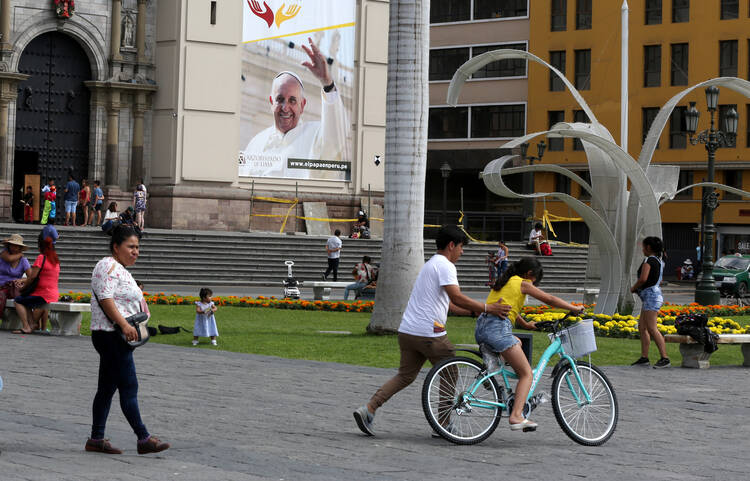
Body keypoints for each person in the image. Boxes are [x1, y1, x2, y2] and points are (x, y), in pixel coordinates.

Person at [353, 225, 512, 437]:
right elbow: (456, 297)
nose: (462, 252)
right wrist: (488, 308)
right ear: (451, 245)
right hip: (429, 334)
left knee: (405, 376)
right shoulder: (445, 266)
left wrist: (476, 313)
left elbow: (449, 305)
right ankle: (443, 424)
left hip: (408, 333)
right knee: (451, 371)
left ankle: (369, 409)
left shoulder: (430, 265)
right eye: (462, 247)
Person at [87, 225, 170, 455]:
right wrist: (124, 324)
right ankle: (143, 438)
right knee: (129, 386)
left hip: (114, 335)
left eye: (138, 247)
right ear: (116, 247)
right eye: (131, 246)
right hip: (112, 335)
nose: (136, 251)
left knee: (106, 388)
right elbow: (105, 298)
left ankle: (96, 438)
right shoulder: (108, 265)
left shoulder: (120, 269)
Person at [477, 257, 585, 432]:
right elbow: (549, 299)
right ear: (529, 274)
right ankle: (517, 415)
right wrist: (573, 308)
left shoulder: (506, 281)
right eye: (535, 282)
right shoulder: (522, 283)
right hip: (497, 330)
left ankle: (492, 366)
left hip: (483, 327)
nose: (533, 286)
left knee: (517, 342)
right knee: (527, 373)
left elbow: (510, 307)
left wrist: (525, 324)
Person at [243, 37, 348, 179]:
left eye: (292, 101)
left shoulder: (316, 135)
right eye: (280, 99)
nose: (285, 107)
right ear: (271, 102)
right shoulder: (256, 143)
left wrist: (327, 83)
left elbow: (337, 134)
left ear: (302, 105)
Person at [630, 236, 670, 369]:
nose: (642, 249)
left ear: (648, 248)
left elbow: (643, 278)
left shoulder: (648, 260)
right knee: (642, 327)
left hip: (651, 296)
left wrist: (634, 288)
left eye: (643, 247)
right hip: (651, 296)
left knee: (652, 328)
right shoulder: (658, 260)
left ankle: (665, 358)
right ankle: (644, 357)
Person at [12, 236, 60, 335]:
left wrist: (23, 287)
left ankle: (26, 327)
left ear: (40, 248)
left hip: (43, 294)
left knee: (18, 301)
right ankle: (32, 324)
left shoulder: (41, 257)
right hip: (53, 294)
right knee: (26, 300)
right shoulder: (55, 260)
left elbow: (32, 277)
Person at [0, 234, 33, 315]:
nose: (14, 248)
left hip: (13, 288)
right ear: (9, 246)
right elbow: (10, 259)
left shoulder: (23, 261)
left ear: (20, 247)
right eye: (12, 245)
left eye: (17, 246)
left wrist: (22, 280)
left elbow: (31, 277)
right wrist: (20, 254)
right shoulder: (3, 255)